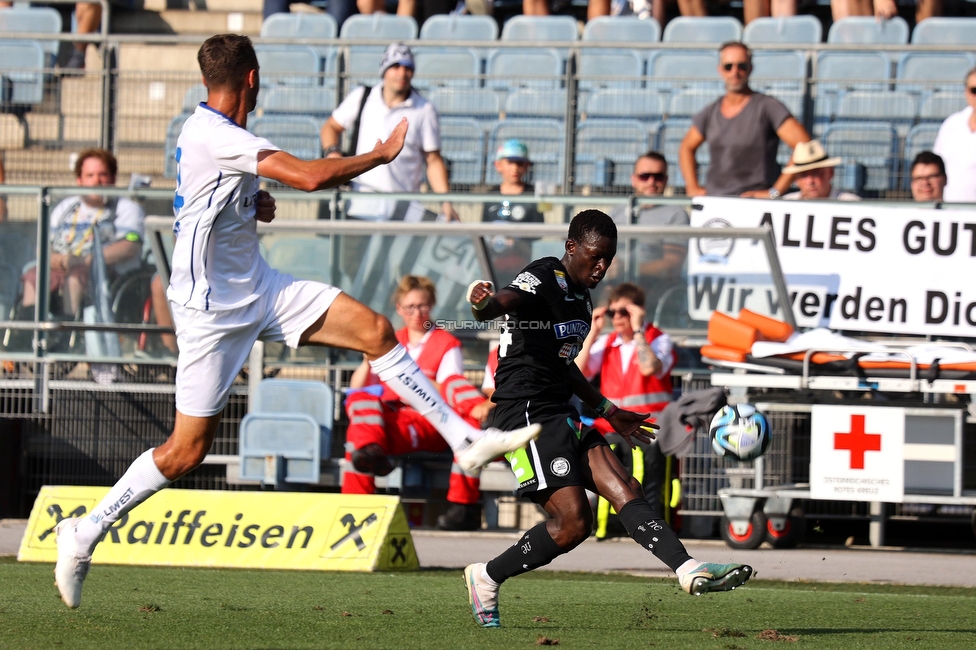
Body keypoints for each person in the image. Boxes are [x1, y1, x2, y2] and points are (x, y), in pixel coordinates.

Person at [52, 33, 540, 610]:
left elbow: (208, 198)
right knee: (185, 452)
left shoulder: (213, 134)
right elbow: (309, 176)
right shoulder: (217, 133)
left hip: (258, 287)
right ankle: (84, 532)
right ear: (251, 79)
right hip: (210, 315)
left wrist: (250, 204)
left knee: (376, 331)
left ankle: (465, 441)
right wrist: (379, 157)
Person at [461, 210, 753, 628]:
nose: (601, 267)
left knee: (625, 486)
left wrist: (608, 410)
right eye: (595, 256)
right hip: (524, 413)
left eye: (608, 259)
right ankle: (486, 576)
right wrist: (485, 302)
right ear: (571, 247)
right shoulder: (546, 274)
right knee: (573, 523)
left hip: (560, 410)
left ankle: (687, 569)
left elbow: (565, 365)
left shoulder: (581, 298)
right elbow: (504, 302)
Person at [342, 275, 488, 532]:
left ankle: (361, 498)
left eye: (422, 306)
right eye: (410, 307)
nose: (416, 313)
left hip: (430, 420)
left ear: (431, 306)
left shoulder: (446, 343)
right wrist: (367, 360)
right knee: (360, 415)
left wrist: (412, 381)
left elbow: (450, 388)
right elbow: (356, 389)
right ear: (399, 309)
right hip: (392, 418)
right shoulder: (386, 338)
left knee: (359, 437)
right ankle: (359, 503)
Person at [320, 42, 457, 223]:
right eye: (395, 66)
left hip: (403, 211)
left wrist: (445, 202)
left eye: (407, 67)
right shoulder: (363, 96)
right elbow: (330, 127)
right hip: (360, 206)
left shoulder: (424, 109)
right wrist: (333, 152)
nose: (402, 73)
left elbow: (433, 160)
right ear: (384, 70)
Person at [575, 282, 676, 522]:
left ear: (639, 312)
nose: (617, 318)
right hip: (613, 427)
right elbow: (578, 372)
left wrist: (639, 330)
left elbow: (649, 366)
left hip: (649, 428)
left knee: (647, 481)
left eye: (624, 312)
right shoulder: (608, 343)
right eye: (612, 312)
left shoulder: (658, 339)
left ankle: (652, 526)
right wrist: (592, 333)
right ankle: (611, 527)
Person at [21, 149, 145, 318]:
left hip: (106, 275)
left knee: (77, 275)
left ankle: (67, 329)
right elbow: (43, 244)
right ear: (79, 180)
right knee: (35, 275)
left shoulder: (127, 208)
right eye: (90, 175)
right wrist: (54, 259)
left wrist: (85, 260)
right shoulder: (66, 207)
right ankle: (27, 330)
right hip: (61, 267)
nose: (96, 181)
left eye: (103, 175)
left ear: (113, 179)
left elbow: (130, 246)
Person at [678, 41, 810, 199]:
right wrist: (692, 186)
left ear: (751, 68)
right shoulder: (711, 111)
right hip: (715, 202)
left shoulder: (767, 106)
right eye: (728, 66)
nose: (735, 72)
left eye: (742, 66)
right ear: (720, 70)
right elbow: (686, 147)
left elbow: (804, 145)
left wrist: (775, 191)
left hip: (754, 203)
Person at [609, 151, 690, 316]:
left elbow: (672, 266)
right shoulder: (616, 213)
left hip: (654, 290)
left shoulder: (676, 215)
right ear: (633, 179)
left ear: (666, 180)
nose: (651, 182)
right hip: (613, 286)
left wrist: (628, 269)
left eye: (658, 176)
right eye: (645, 176)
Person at [482, 139, 545, 284]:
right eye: (510, 162)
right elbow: (483, 229)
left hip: (522, 265)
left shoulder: (533, 195)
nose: (515, 168)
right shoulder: (490, 196)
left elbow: (539, 231)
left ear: (527, 166)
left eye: (520, 163)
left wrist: (517, 240)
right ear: (498, 165)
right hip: (493, 265)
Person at [933, 67, 976, 203]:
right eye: (974, 90)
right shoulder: (952, 123)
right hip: (949, 214)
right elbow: (936, 165)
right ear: (966, 92)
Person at [780, 140, 860, 201]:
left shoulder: (852, 205)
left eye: (816, 173)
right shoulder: (786, 204)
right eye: (803, 175)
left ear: (830, 173)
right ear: (796, 179)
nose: (810, 181)